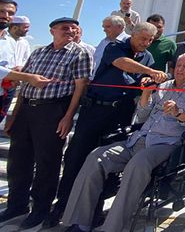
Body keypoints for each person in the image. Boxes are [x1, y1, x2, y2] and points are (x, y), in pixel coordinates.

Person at [61, 53, 185, 232]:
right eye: (178, 65)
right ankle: (80, 222)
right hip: (140, 138)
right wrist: (146, 94)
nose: (180, 69)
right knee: (96, 157)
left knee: (137, 164)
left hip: (167, 143)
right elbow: (142, 116)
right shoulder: (164, 86)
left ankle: (112, 227)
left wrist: (179, 113)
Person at [42, 22, 167, 229]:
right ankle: (61, 207)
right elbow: (122, 63)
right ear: (133, 35)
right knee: (76, 158)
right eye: (142, 38)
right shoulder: (116, 47)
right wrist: (150, 71)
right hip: (95, 111)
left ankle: (94, 212)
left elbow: (143, 81)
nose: (145, 43)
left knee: (105, 167)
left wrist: (149, 81)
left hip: (120, 115)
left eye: (149, 40)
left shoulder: (148, 57)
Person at [0, 17, 92, 229]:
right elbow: (25, 82)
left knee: (47, 163)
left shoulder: (79, 53)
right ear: (52, 31)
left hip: (53, 110)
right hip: (26, 109)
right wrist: (14, 114)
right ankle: (17, 205)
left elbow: (80, 87)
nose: (70, 31)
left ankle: (40, 209)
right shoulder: (39, 52)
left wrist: (68, 117)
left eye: (73, 28)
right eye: (64, 28)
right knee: (18, 159)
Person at [0, 15, 31, 124]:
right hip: (2, 79)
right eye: (25, 27)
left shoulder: (24, 43)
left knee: (2, 111)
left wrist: (20, 70)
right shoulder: (3, 39)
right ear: (15, 27)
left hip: (11, 84)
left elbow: (26, 61)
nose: (27, 30)